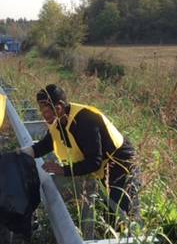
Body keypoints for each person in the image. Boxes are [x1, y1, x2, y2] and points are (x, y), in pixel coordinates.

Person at [20, 84, 141, 222]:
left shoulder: (85, 120)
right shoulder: (58, 121)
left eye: (48, 111)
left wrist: (64, 170)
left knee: (122, 212)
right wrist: (19, 154)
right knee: (108, 211)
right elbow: (44, 145)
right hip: (104, 167)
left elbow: (94, 162)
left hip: (121, 163)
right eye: (42, 111)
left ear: (60, 106)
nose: (45, 116)